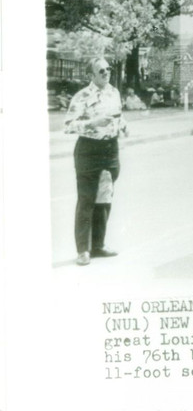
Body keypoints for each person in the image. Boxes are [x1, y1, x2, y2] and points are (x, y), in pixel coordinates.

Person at [64, 57, 127, 266]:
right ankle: (83, 250)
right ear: (91, 75)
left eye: (108, 69)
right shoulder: (82, 96)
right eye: (101, 71)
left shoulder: (114, 92)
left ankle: (98, 245)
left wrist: (123, 125)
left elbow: (118, 116)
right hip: (89, 151)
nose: (106, 73)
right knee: (86, 200)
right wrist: (93, 123)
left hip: (110, 149)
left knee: (105, 198)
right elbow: (68, 125)